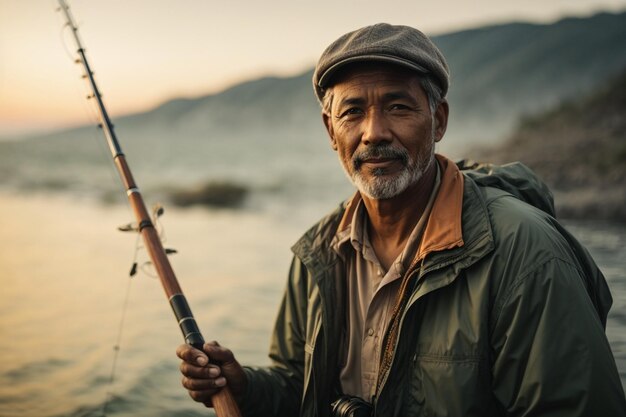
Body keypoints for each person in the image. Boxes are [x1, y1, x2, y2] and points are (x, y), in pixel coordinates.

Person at [176, 23, 626, 416]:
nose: (374, 132)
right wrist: (247, 389)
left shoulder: (526, 252)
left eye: (398, 106)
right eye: (352, 111)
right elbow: (300, 388)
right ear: (331, 131)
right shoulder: (317, 252)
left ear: (438, 119)